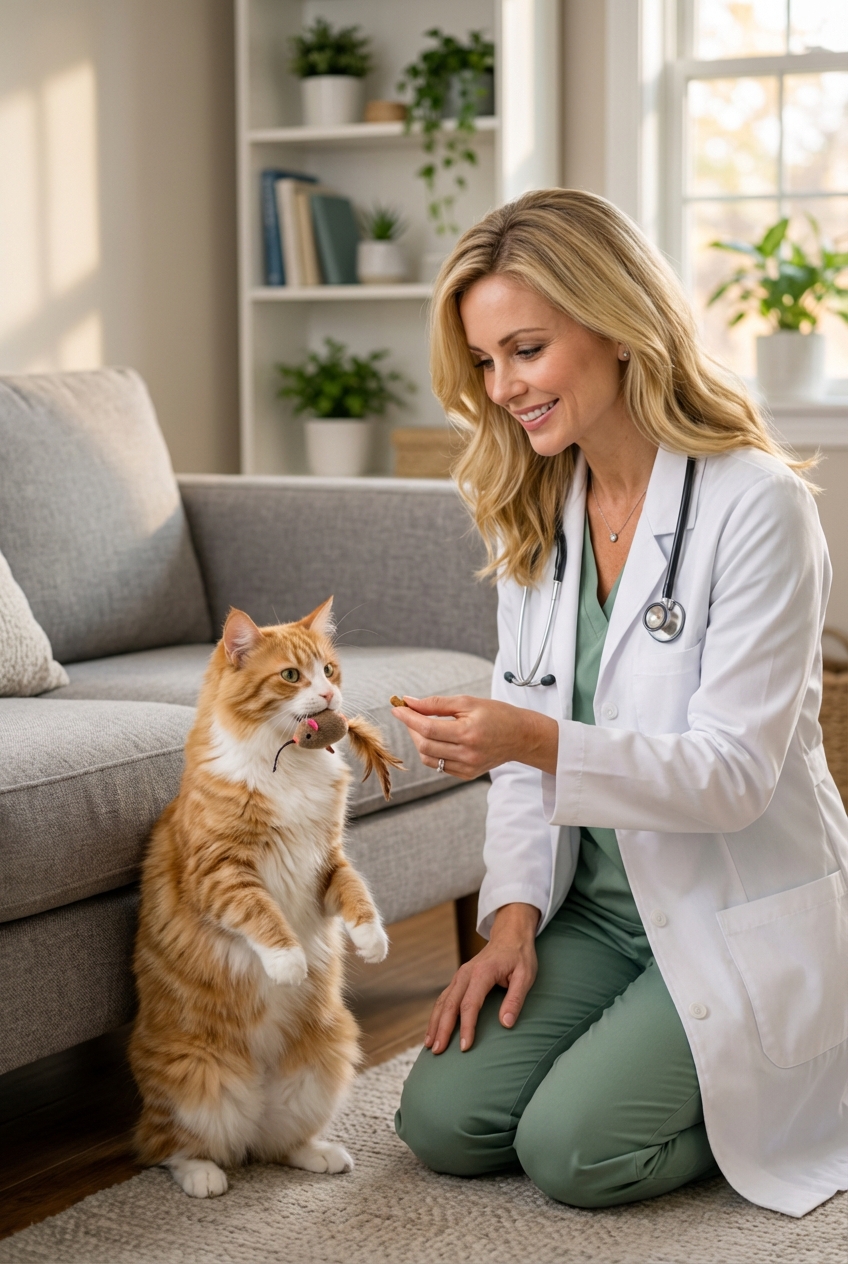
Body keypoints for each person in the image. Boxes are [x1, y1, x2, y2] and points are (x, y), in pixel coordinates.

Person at [389, 189, 848, 1218]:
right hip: (597, 914)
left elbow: (731, 778)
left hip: (732, 903)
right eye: (483, 362)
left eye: (525, 349)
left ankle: (802, 1089)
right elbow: (519, 773)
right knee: (444, 1121)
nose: (501, 387)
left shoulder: (754, 505)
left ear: (611, 323)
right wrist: (507, 926)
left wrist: (536, 738)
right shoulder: (534, 511)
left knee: (570, 1150)